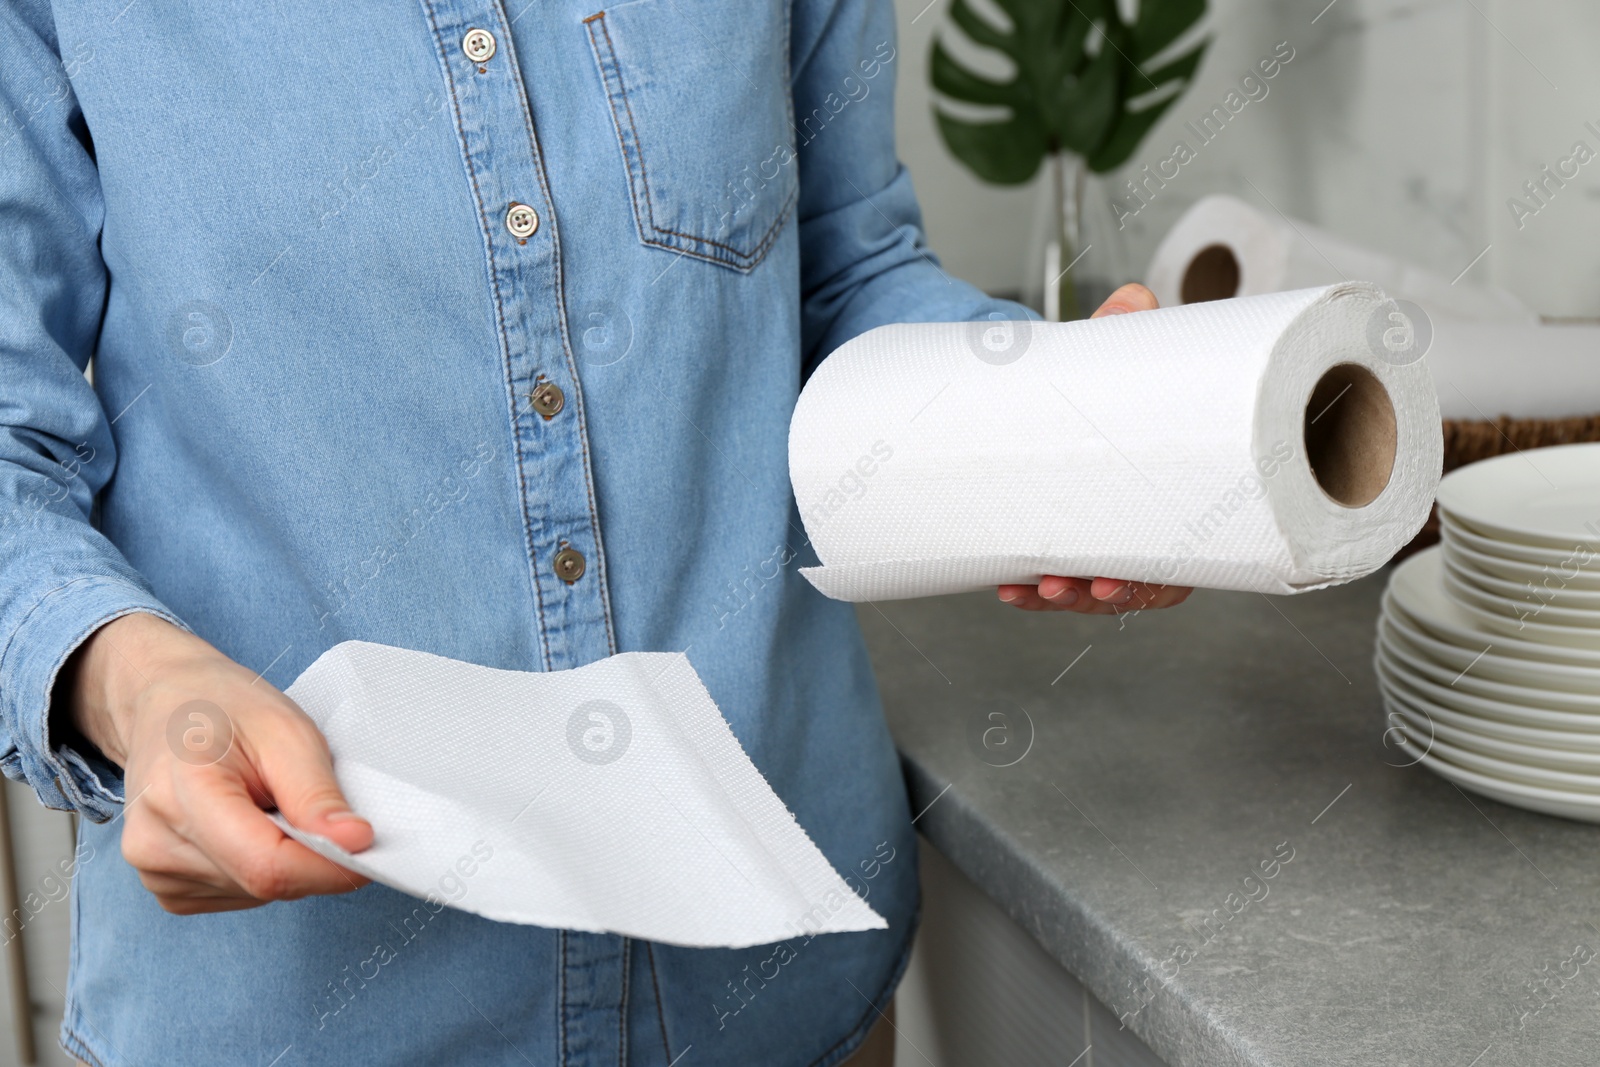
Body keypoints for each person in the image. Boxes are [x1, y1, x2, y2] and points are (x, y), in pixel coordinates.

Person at [0, 0, 1188, 1064]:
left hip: (783, 986)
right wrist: (141, 686)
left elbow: (845, 272)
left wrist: (1047, 422)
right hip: (300, 1012)